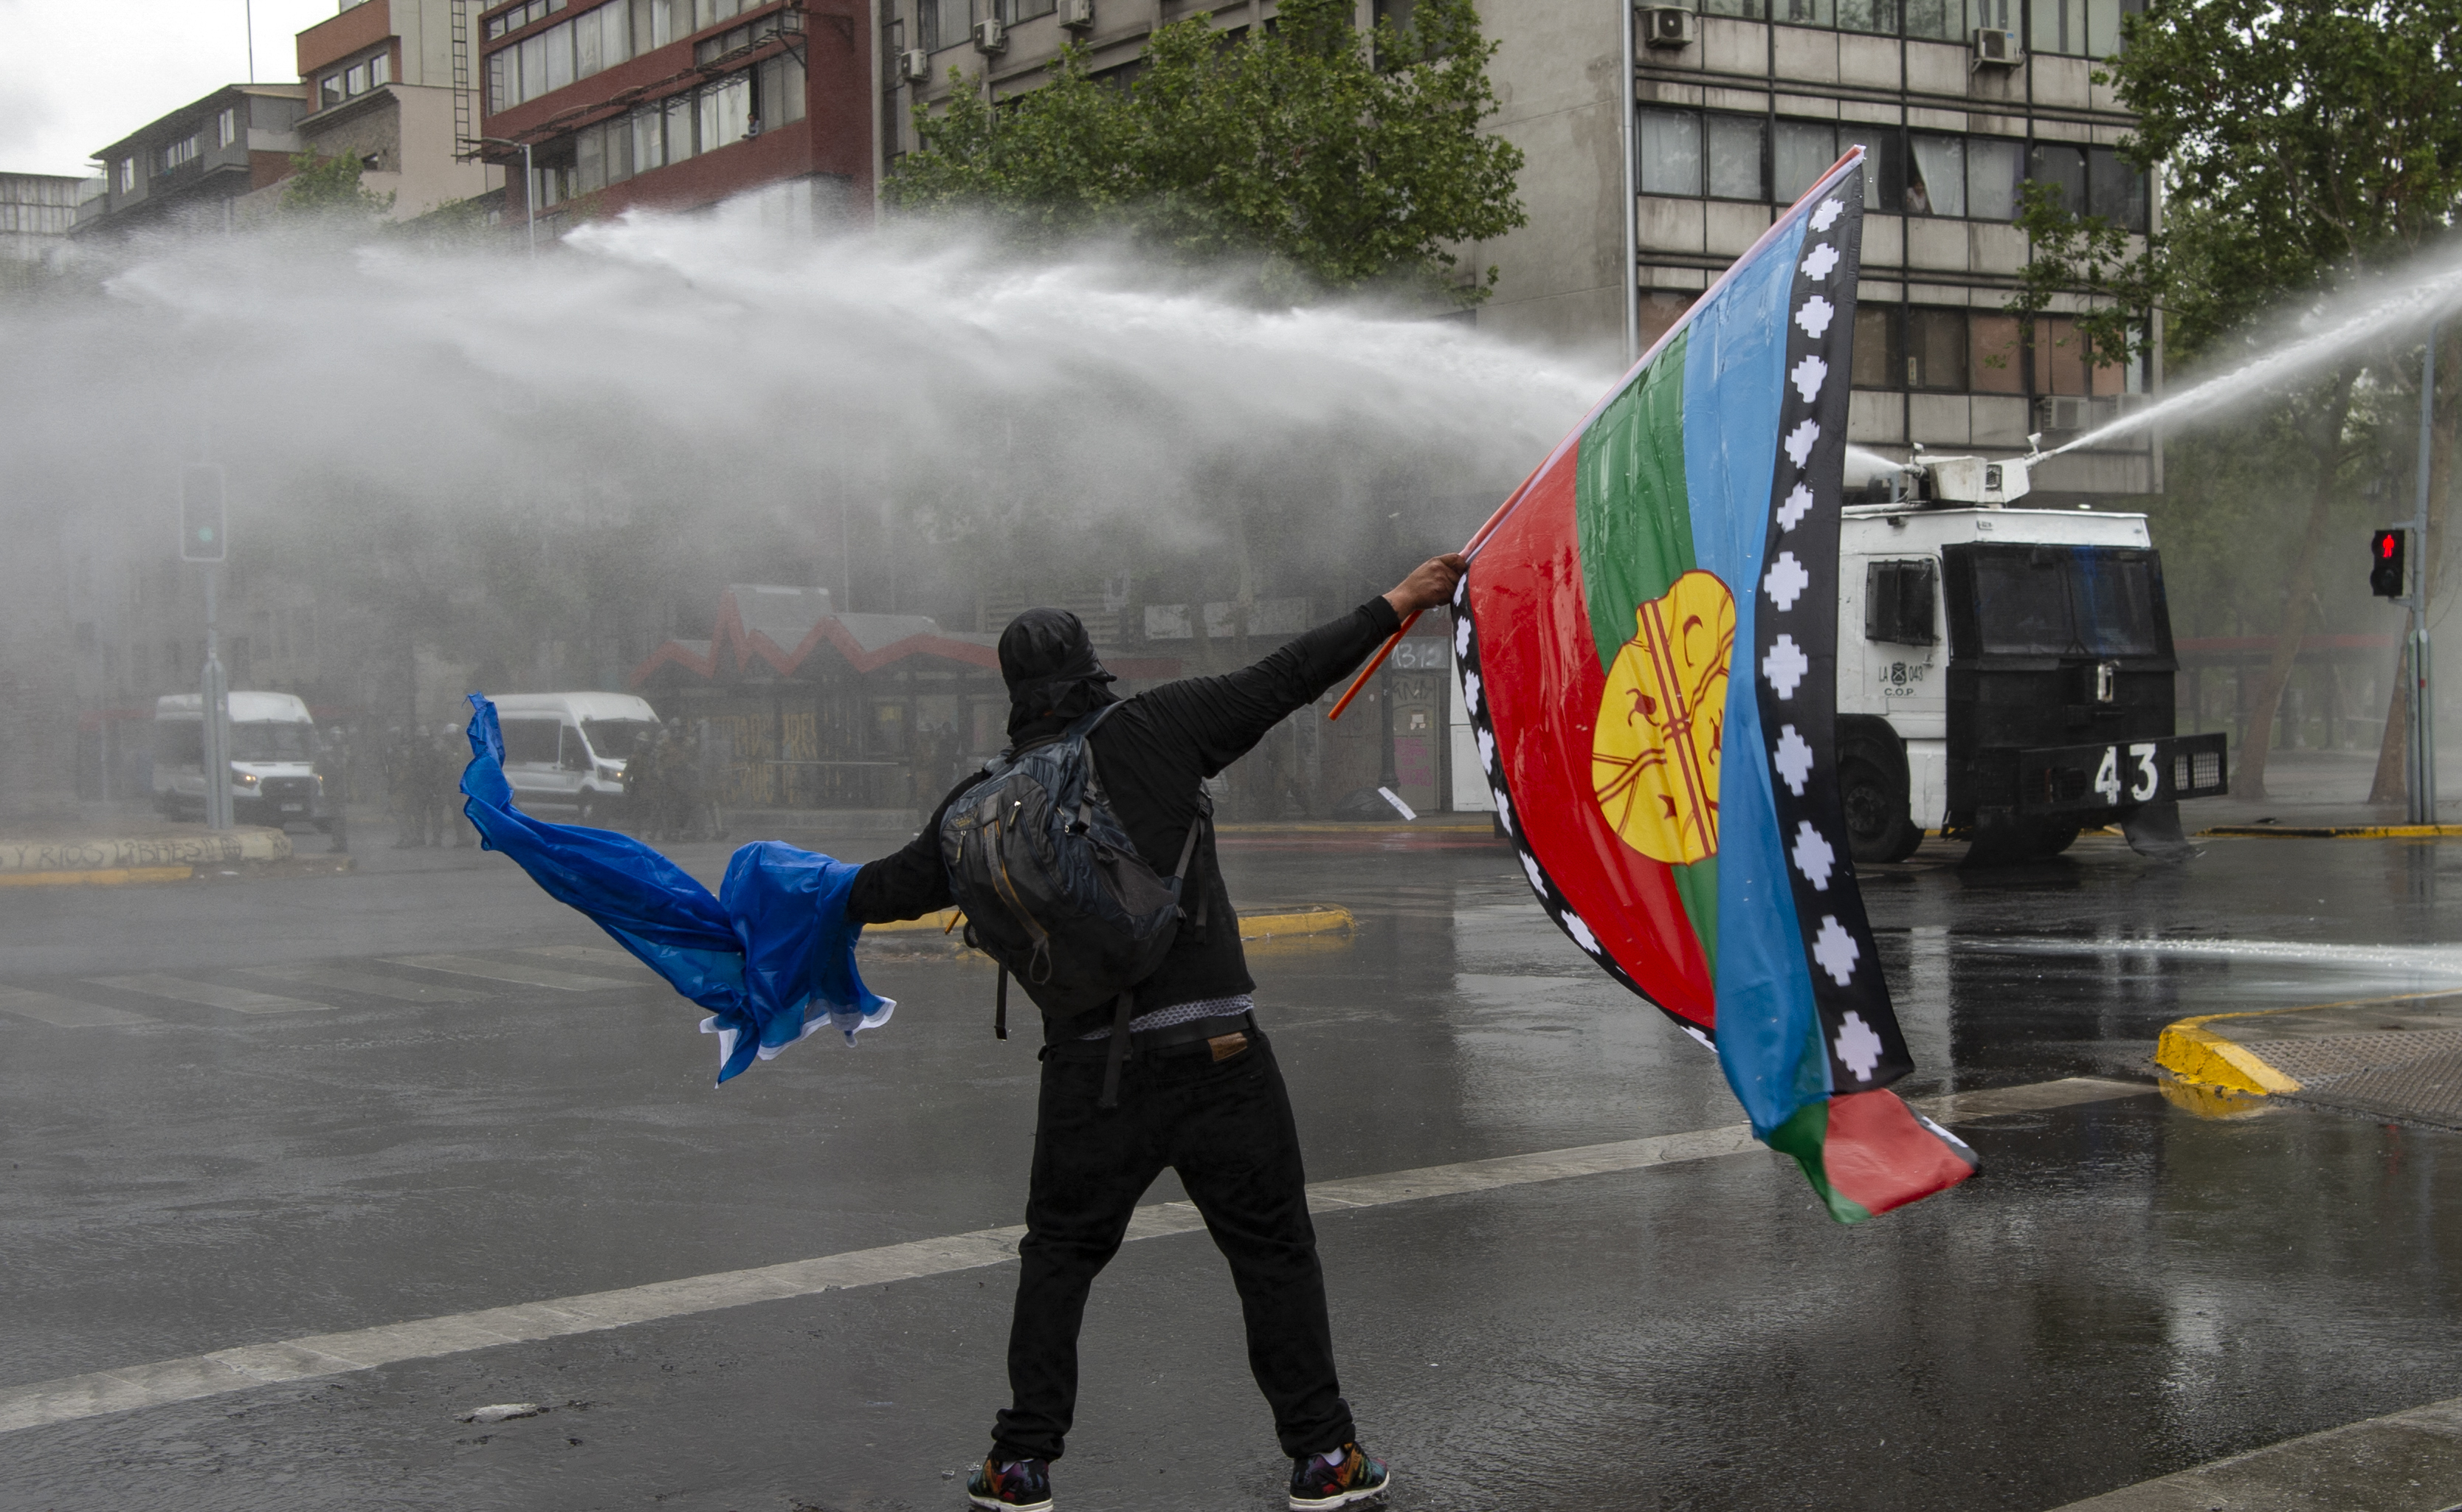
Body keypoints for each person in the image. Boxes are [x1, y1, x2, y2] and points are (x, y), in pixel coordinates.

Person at [847, 553, 1466, 1512]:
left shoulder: (983, 803)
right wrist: (1399, 602)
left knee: (1057, 1257)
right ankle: (1325, 1456)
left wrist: (786, 896)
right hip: (1218, 1057)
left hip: (1087, 1076)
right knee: (1272, 1252)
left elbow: (883, 889)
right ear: (1092, 667)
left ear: (1015, 694)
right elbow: (1288, 675)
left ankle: (1019, 1462)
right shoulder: (1159, 725)